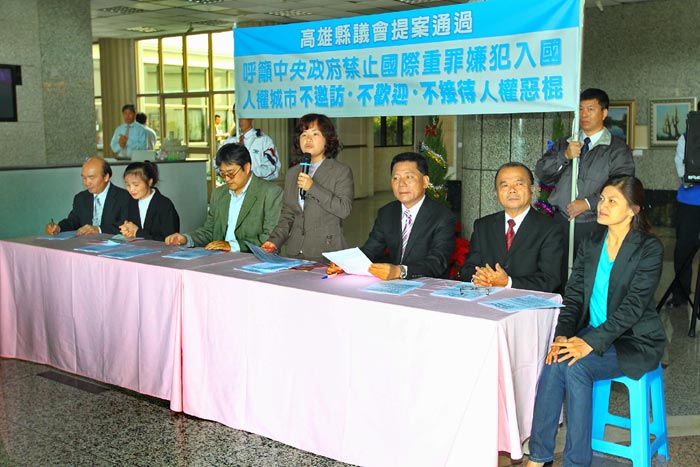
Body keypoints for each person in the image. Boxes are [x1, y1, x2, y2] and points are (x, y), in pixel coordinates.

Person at [526, 176, 665, 467]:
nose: (603, 205)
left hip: (634, 340)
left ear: (633, 210)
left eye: (612, 201)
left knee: (577, 367)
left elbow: (633, 308)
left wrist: (588, 343)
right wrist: (563, 335)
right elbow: (574, 296)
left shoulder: (648, 249)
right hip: (596, 331)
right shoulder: (591, 243)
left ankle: (577, 462)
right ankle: (538, 458)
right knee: (555, 358)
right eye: (602, 198)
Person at [535, 88, 635, 258]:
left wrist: (588, 203)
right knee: (557, 268)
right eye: (580, 109)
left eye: (590, 109)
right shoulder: (565, 143)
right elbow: (542, 172)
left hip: (595, 222)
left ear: (604, 113)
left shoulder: (617, 149)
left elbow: (622, 184)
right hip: (561, 221)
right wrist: (565, 156)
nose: (584, 114)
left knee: (587, 268)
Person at [347, 152, 455, 280]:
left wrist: (401, 271)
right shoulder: (386, 213)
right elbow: (371, 250)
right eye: (396, 178)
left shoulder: (442, 216)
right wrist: (346, 265)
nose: (401, 184)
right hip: (394, 285)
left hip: (428, 284)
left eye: (409, 177)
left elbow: (437, 262)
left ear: (425, 182)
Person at [261, 113, 354, 262]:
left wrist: (312, 187)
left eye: (315, 134)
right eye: (304, 134)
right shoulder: (293, 173)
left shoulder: (340, 171)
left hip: (327, 252)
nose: (308, 139)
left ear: (327, 139)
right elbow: (288, 215)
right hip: (295, 252)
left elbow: (344, 209)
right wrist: (274, 241)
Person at [461, 162, 563, 292]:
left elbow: (550, 280)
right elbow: (469, 268)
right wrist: (479, 278)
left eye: (519, 184)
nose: (512, 190)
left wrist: (508, 282)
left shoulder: (550, 229)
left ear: (532, 190)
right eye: (505, 185)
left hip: (528, 301)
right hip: (486, 298)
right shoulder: (483, 226)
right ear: (496, 193)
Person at [164, 143, 282, 252]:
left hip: (253, 260)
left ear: (247, 168)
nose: (227, 179)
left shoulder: (270, 193)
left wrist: (233, 246)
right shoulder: (219, 194)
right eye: (223, 174)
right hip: (218, 258)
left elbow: (270, 237)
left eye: (231, 173)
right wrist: (186, 239)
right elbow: (210, 231)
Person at [45, 157, 130, 236]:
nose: (87, 182)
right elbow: (73, 221)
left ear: (106, 177)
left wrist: (99, 229)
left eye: (91, 177)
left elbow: (126, 225)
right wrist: (58, 228)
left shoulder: (124, 197)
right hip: (85, 244)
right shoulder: (81, 198)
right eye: (84, 178)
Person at [668, 102, 700, 307]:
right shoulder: (686, 137)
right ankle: (680, 295)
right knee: (684, 250)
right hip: (690, 202)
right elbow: (681, 167)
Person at [118, 161, 180, 241]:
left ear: (149, 182)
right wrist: (127, 230)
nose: (131, 189)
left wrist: (138, 232)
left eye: (136, 185)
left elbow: (170, 239)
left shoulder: (164, 205)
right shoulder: (130, 202)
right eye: (128, 185)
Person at [223, 111, 280, 180]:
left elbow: (272, 168)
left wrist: (248, 173)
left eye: (242, 117)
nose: (239, 120)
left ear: (251, 117)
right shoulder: (229, 141)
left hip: (258, 183)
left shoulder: (263, 140)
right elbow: (218, 164)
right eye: (236, 117)